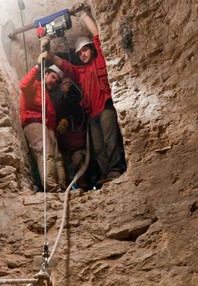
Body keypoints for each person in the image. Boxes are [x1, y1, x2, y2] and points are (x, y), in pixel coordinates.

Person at [49, 11, 127, 184]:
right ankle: (107, 175)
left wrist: (83, 15)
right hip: (92, 115)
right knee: (99, 147)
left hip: (105, 108)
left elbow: (97, 35)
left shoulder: (100, 61)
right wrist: (50, 55)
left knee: (111, 140)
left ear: (91, 49)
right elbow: (66, 66)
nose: (82, 55)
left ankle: (115, 171)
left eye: (85, 50)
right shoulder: (80, 72)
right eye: (79, 53)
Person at [20, 54, 66, 192]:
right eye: (52, 77)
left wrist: (55, 132)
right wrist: (38, 65)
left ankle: (62, 187)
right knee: (46, 154)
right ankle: (52, 188)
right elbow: (23, 85)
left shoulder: (47, 96)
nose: (54, 82)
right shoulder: (35, 86)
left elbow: (50, 117)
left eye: (57, 81)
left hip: (47, 128)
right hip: (34, 125)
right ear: (45, 74)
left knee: (57, 157)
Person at [54, 76, 88, 189]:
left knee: (78, 163)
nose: (68, 85)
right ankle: (64, 187)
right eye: (65, 83)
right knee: (62, 166)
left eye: (70, 83)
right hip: (63, 140)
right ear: (60, 87)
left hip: (76, 138)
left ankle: (82, 186)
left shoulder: (76, 98)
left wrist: (67, 119)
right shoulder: (58, 102)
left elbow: (76, 110)